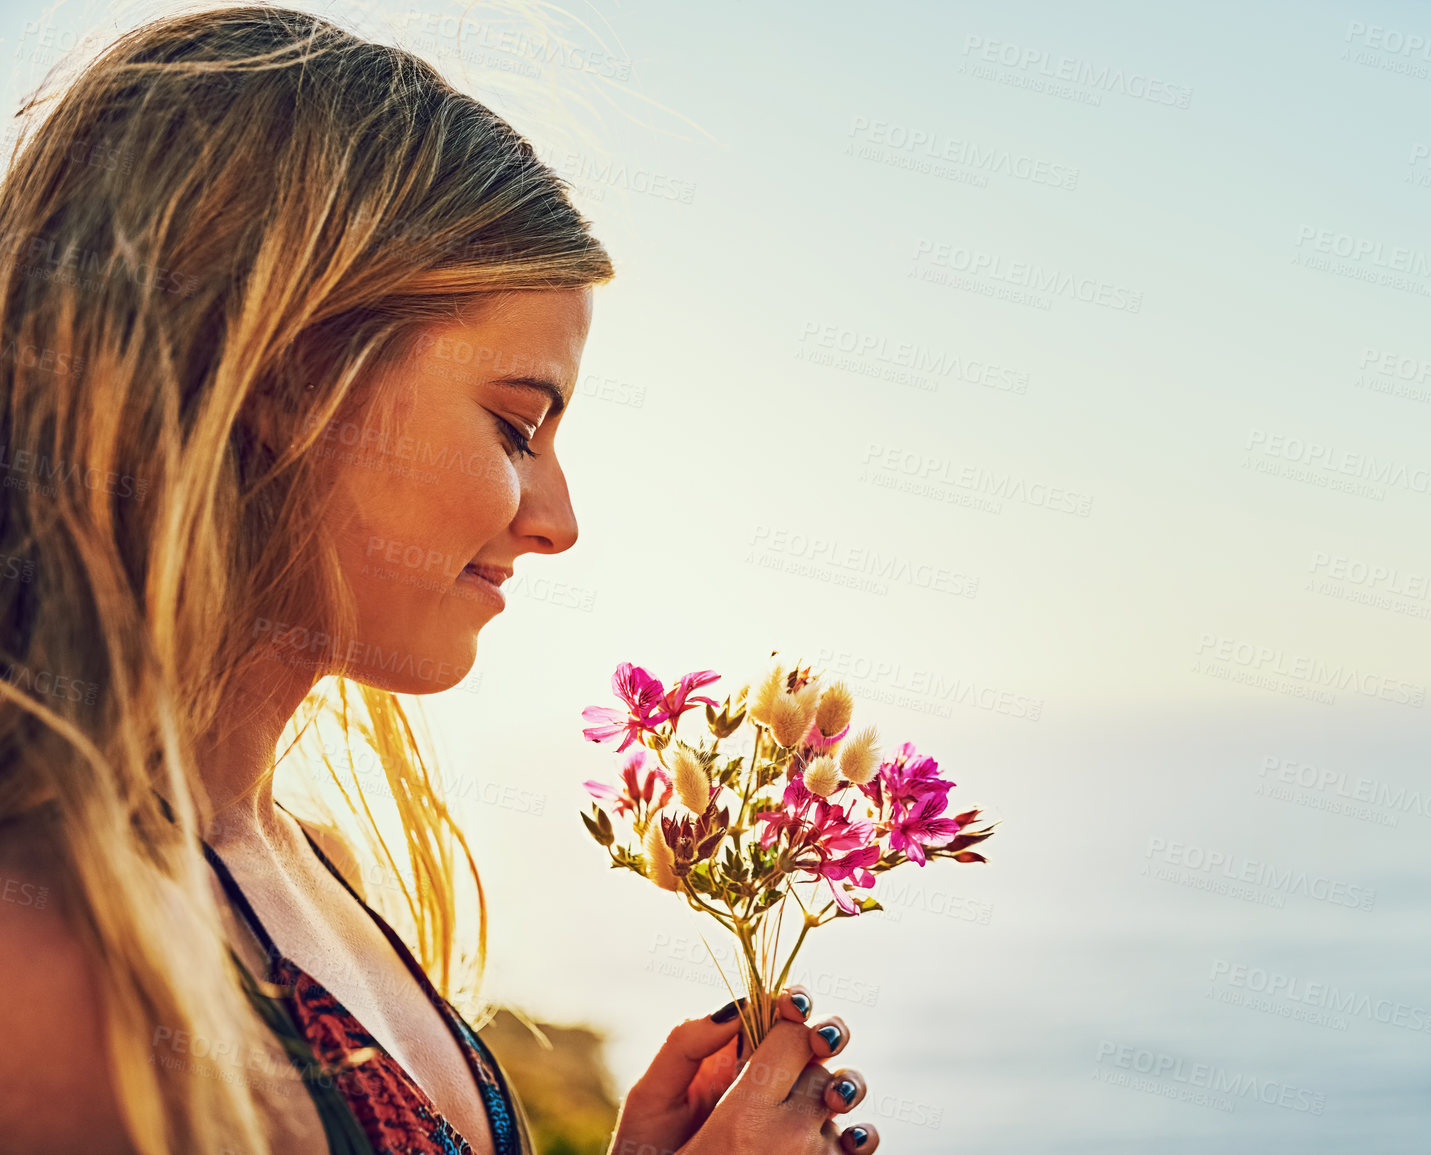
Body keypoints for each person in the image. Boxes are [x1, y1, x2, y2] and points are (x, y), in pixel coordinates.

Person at [0, 6, 879, 1154]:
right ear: (284, 374)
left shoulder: (311, 862)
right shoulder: (56, 956)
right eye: (517, 427)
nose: (557, 524)